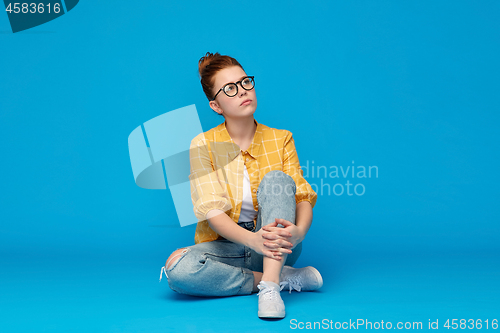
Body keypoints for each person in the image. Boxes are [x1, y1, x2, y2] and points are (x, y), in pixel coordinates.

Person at [159, 52, 323, 319]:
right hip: (229, 246)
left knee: (278, 180)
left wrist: (300, 232)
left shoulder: (281, 138)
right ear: (216, 106)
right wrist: (252, 241)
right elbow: (211, 211)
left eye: (245, 82)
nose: (243, 91)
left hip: (276, 242)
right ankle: (281, 279)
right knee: (178, 268)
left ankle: (270, 287)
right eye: (230, 89)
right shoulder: (203, 144)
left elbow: (303, 196)